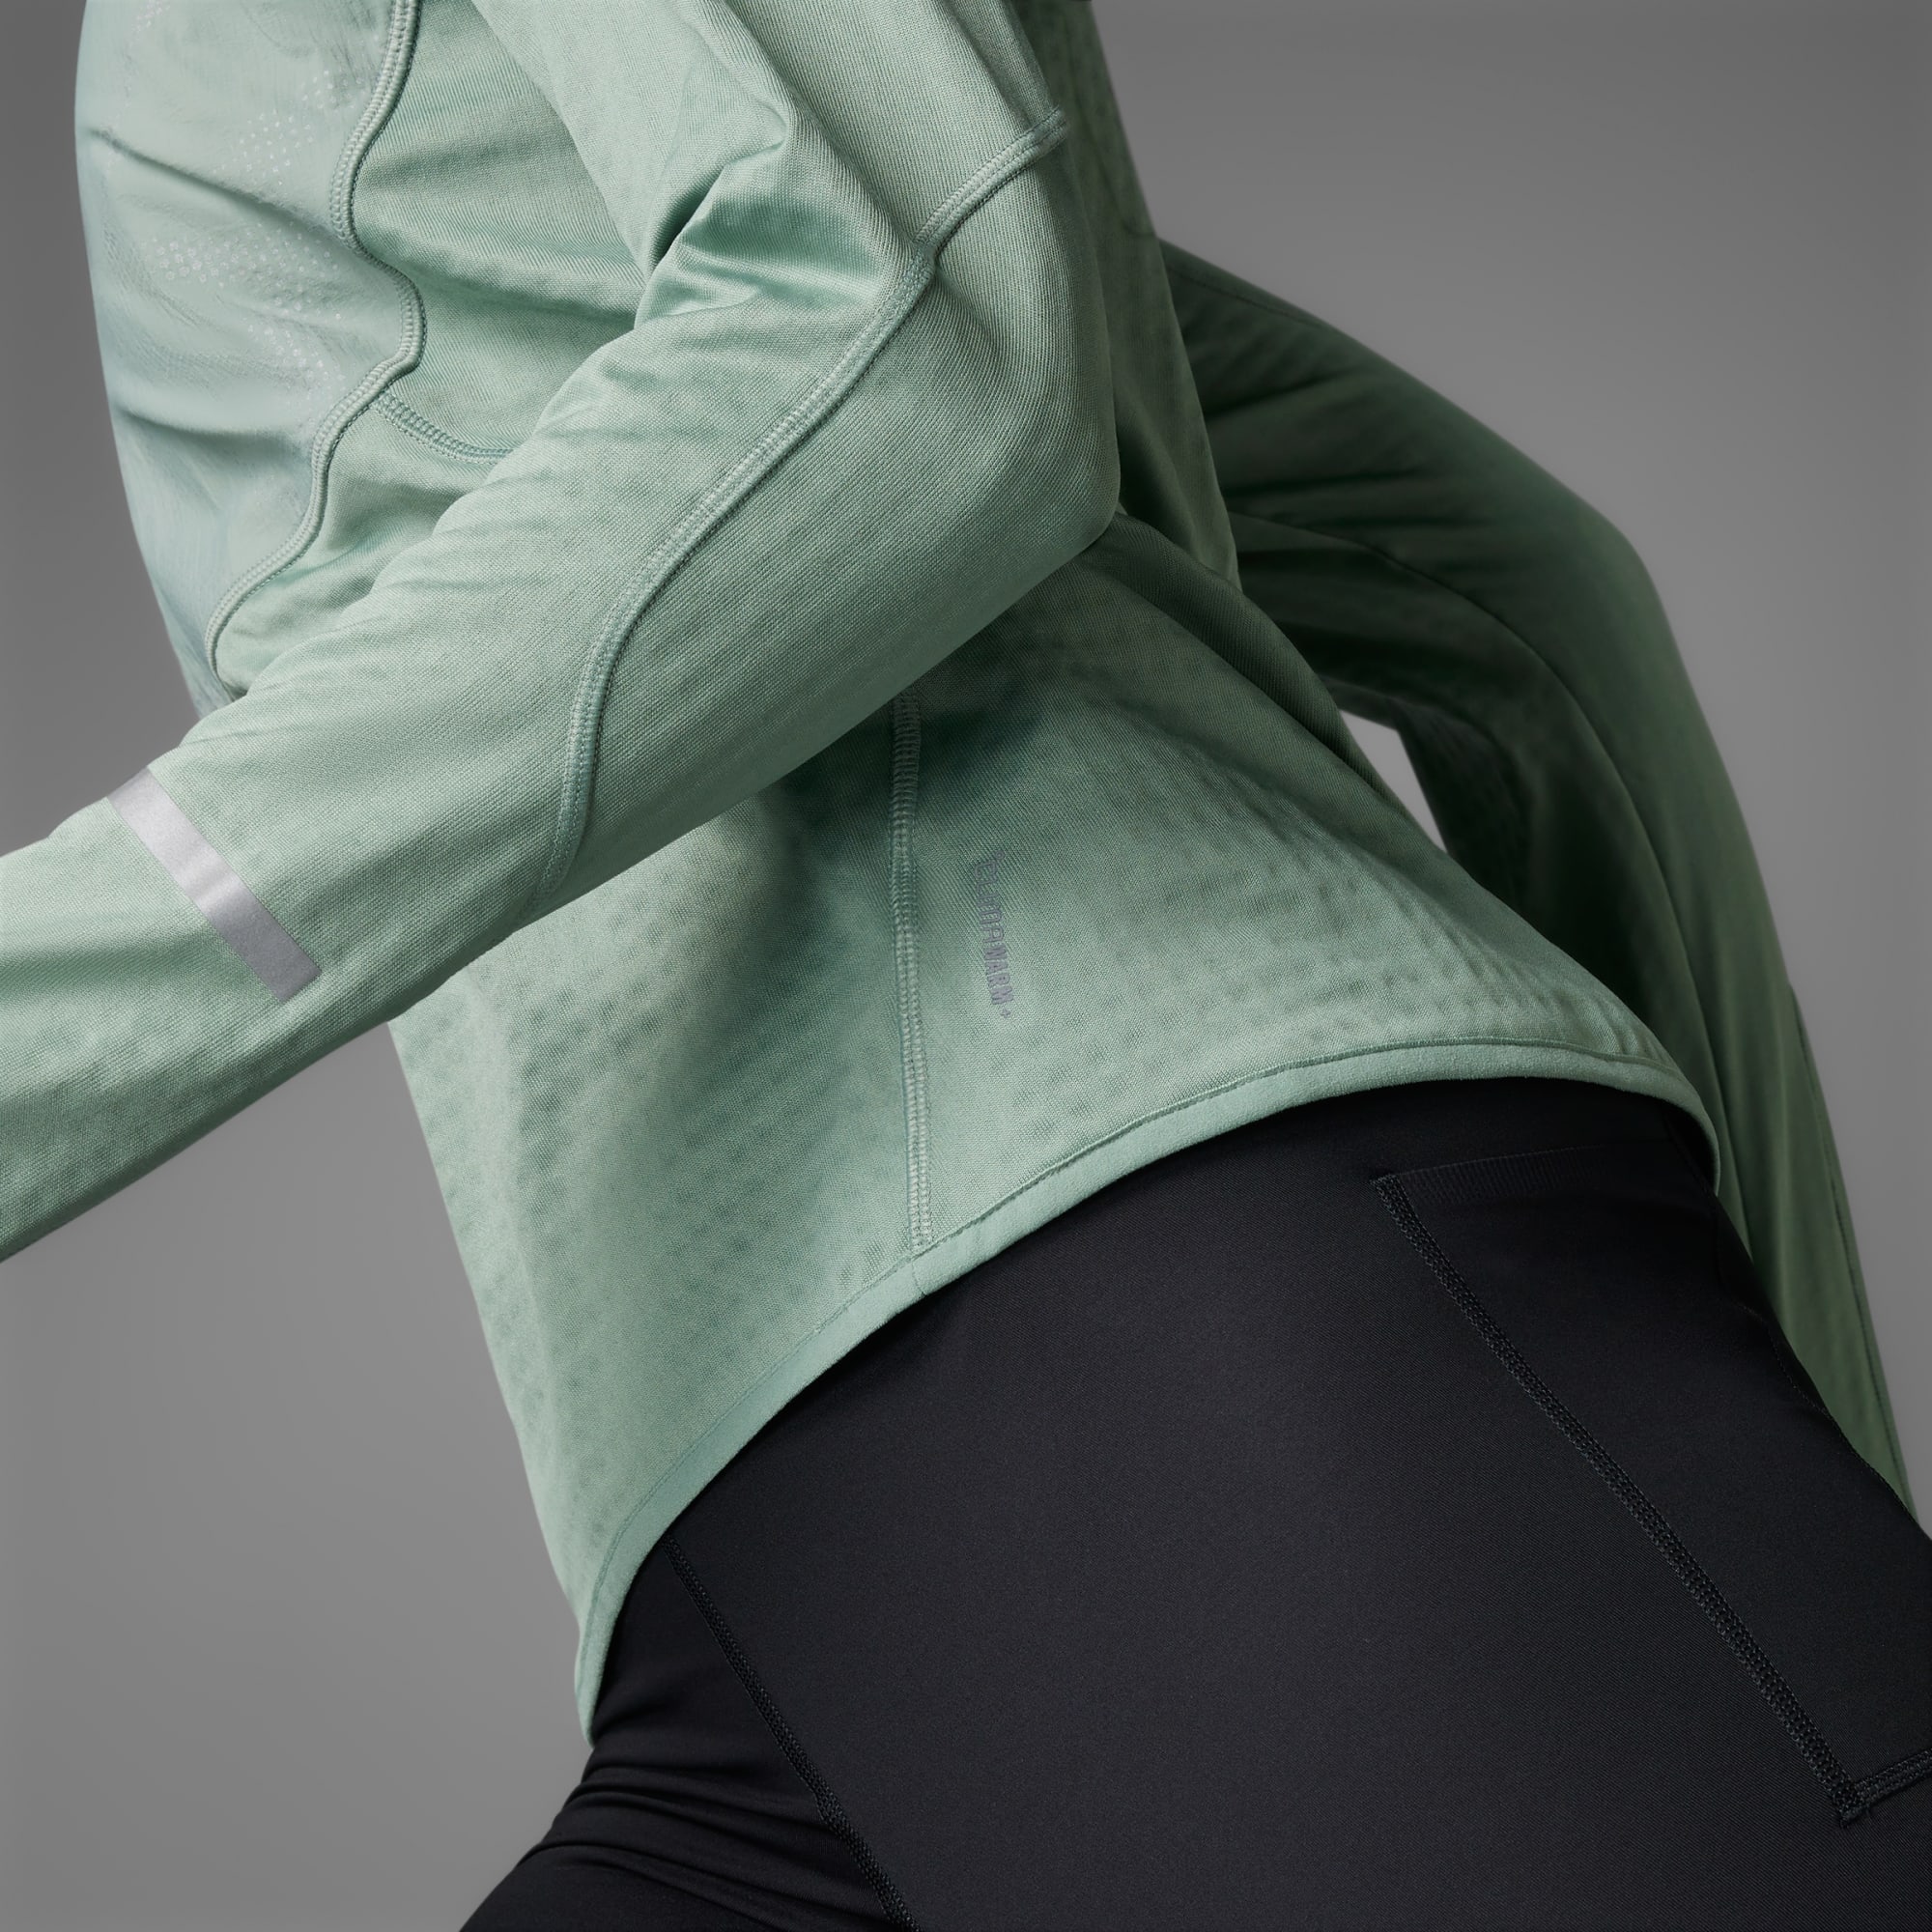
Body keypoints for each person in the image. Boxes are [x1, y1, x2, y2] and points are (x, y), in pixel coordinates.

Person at [4, 0, 1923, 1923]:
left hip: (1157, 1329)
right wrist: (1768, 1461)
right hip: (778, 1549)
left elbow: (925, 342)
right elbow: (1513, 583)